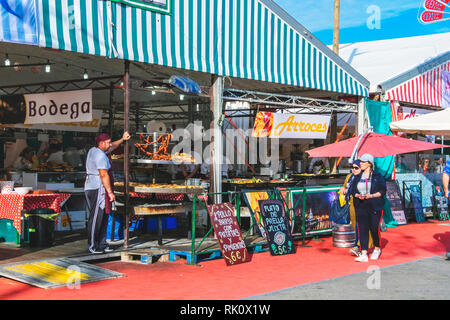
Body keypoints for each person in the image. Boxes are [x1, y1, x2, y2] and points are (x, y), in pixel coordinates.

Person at [84, 132, 131, 254]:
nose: (110, 144)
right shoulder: (100, 156)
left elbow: (112, 146)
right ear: (101, 143)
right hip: (98, 187)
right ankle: (93, 245)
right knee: (96, 217)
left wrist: (122, 139)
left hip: (93, 186)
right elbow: (103, 174)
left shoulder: (94, 150)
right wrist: (110, 192)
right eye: (108, 142)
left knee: (104, 216)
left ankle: (102, 244)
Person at [349, 153, 386, 262]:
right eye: (360, 161)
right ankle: (364, 252)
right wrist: (357, 195)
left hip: (375, 205)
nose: (361, 164)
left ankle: (377, 248)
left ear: (369, 164)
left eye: (363, 162)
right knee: (363, 228)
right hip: (361, 205)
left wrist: (372, 196)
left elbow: (382, 191)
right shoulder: (357, 176)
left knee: (374, 228)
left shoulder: (377, 176)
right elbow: (352, 190)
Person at [339, 160, 373, 257]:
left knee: (360, 225)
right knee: (355, 225)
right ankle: (361, 245)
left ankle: (358, 246)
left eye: (356, 168)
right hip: (352, 204)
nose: (354, 170)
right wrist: (343, 189)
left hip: (363, 204)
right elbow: (345, 186)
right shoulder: (349, 177)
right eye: (353, 167)